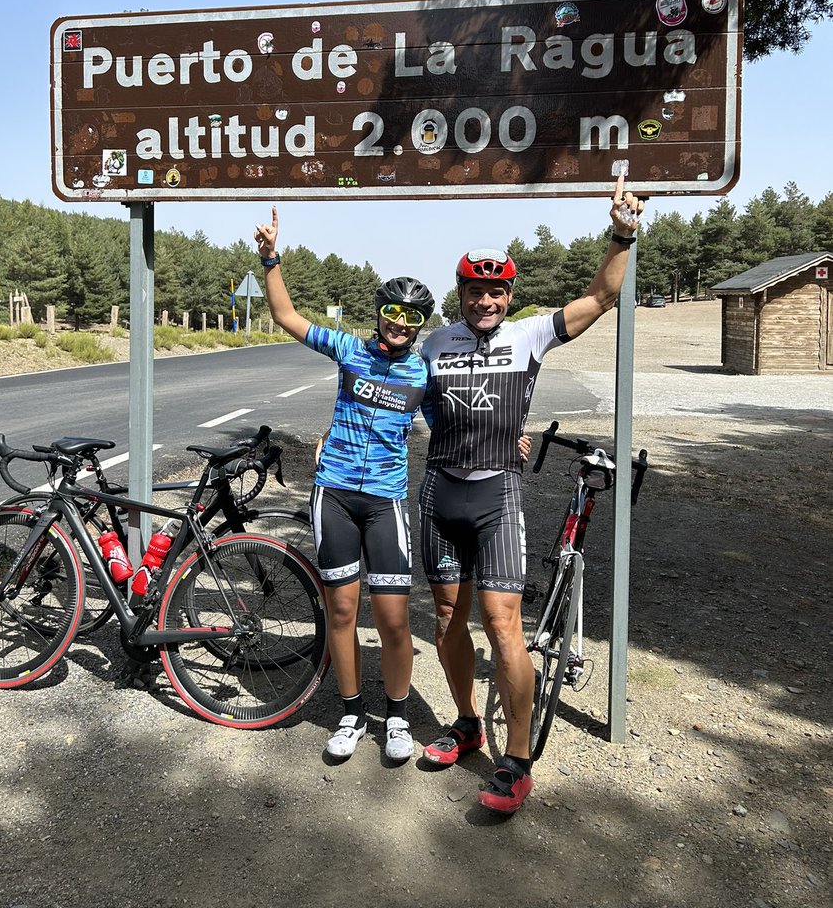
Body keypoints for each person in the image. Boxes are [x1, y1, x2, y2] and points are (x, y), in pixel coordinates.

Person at [419, 175, 645, 814]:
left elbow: (601, 295)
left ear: (509, 295)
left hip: (497, 498)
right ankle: (468, 724)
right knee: (446, 618)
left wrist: (622, 234)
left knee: (503, 624)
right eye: (475, 289)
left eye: (496, 290)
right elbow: (390, 391)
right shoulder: (434, 343)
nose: (485, 299)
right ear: (460, 293)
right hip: (439, 494)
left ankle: (517, 761)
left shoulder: (528, 334)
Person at [254, 207, 434, 763]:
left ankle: (397, 717)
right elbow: (286, 315)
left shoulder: (424, 371)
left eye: (410, 317)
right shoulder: (350, 350)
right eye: (391, 312)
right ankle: (351, 713)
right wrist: (270, 259)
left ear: (420, 324)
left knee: (394, 617)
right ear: (378, 312)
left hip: (385, 501)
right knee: (341, 612)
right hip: (333, 493)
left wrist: (510, 440)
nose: (398, 323)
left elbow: (459, 423)